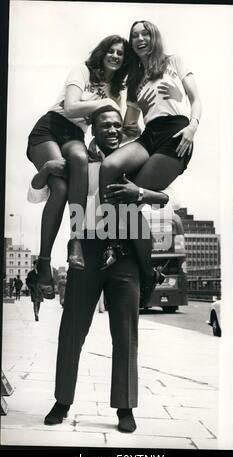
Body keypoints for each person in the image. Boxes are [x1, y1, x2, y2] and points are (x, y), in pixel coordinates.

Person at [42, 106, 171, 433]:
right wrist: (46, 168)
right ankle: (62, 400)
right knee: (72, 329)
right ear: (93, 131)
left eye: (117, 125)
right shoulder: (78, 162)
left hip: (124, 254)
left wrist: (138, 191)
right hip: (87, 248)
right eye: (106, 126)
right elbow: (53, 197)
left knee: (126, 335)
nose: (113, 130)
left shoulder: (136, 161)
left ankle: (125, 408)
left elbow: (163, 197)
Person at [99, 20, 202, 304]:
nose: (140, 38)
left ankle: (147, 272)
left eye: (145, 33)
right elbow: (131, 126)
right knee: (109, 168)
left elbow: (196, 98)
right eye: (135, 35)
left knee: (130, 200)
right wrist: (111, 134)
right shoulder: (134, 79)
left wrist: (193, 126)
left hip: (176, 132)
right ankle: (113, 239)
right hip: (149, 134)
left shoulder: (173, 61)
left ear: (154, 36)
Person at [27, 35, 129, 300]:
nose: (115, 56)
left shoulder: (116, 90)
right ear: (102, 52)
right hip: (49, 129)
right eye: (111, 50)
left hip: (74, 135)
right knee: (59, 189)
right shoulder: (82, 70)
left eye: (121, 53)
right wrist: (106, 103)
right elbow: (71, 107)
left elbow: (116, 124)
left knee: (81, 160)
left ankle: (76, 239)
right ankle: (44, 261)